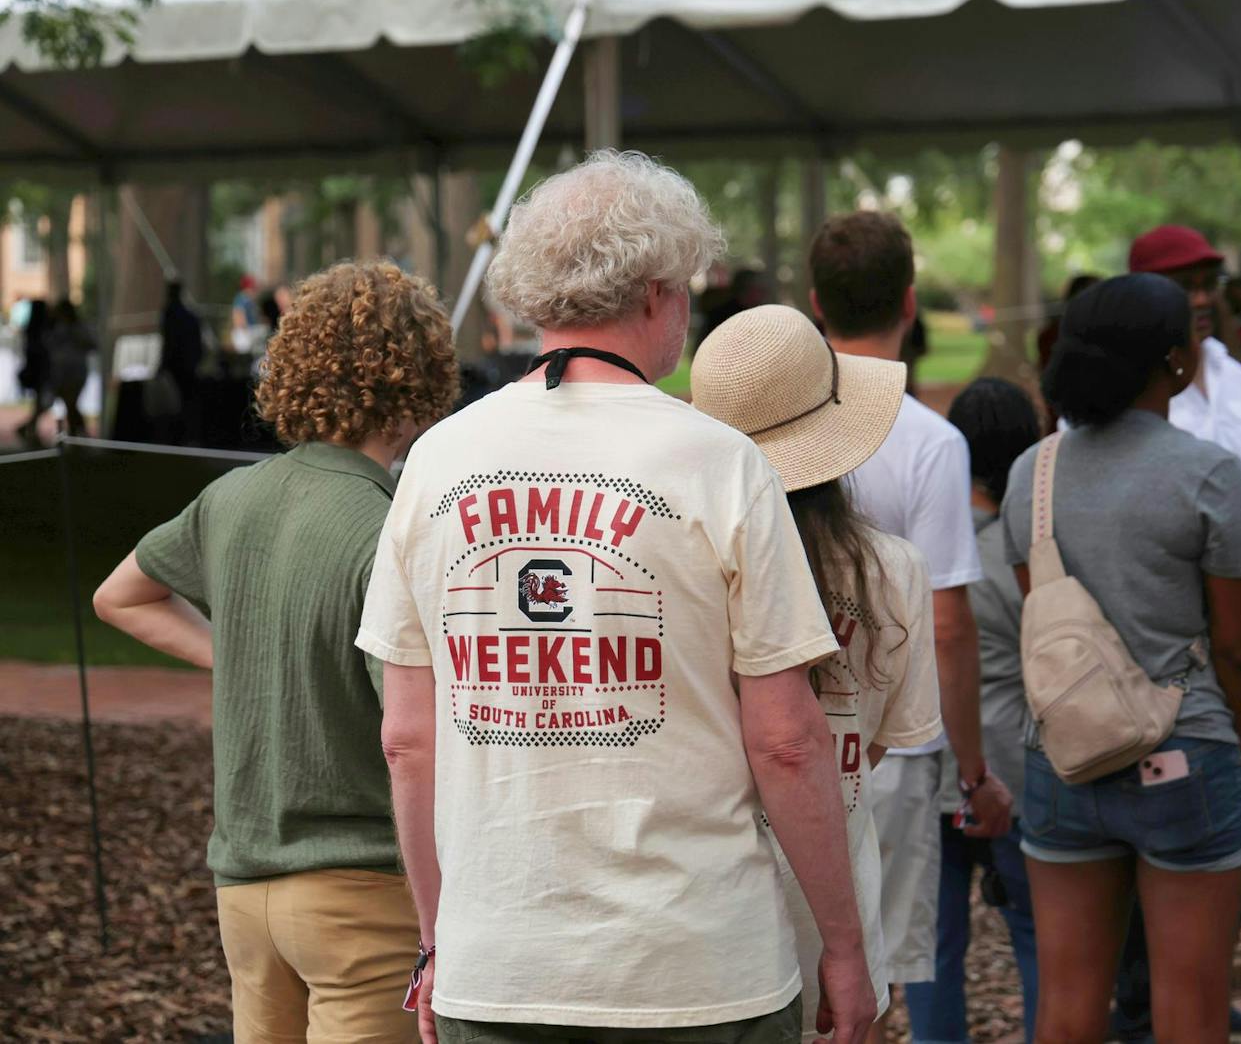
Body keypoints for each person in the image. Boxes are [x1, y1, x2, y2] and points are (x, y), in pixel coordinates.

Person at [360, 151, 877, 1044]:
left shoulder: (436, 460)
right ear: (653, 293)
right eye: (685, 286)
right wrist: (843, 944)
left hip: (500, 967)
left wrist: (438, 940)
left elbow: (408, 738)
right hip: (698, 968)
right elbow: (789, 741)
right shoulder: (721, 462)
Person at [93, 261, 460, 1044]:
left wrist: (239, 652)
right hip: (364, 897)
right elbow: (413, 739)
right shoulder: (391, 527)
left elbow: (118, 594)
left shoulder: (231, 496)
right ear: (421, 379)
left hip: (243, 890)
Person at [1001, 273, 1241, 1044]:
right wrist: (1232, 727)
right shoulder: (1207, 473)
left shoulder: (1031, 472)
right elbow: (1239, 646)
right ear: (1177, 363)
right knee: (1190, 1000)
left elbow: (1044, 620)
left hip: (1064, 756)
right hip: (1185, 750)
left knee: (1069, 1003)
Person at [692, 303, 943, 1043]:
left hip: (710, 910)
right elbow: (875, 745)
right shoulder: (894, 575)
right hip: (838, 911)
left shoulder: (692, 563)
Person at [808, 211, 1012, 1037]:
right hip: (884, 733)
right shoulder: (929, 438)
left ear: (816, 303)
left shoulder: (766, 426)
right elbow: (948, 621)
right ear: (910, 299)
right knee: (889, 969)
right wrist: (972, 769)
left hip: (779, 716)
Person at [1126, 225, 1241, 1041]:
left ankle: (1204, 990)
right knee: (1152, 821)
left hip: (1240, 636)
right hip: (1161, 647)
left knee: (1239, 823)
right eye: (1182, 283)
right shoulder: (1132, 394)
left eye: (1207, 281)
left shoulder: (1238, 380)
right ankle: (1141, 1003)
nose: (1200, 297)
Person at [911, 377, 1043, 1044]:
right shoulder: (1028, 559)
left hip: (931, 766)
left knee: (932, 948)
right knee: (1038, 935)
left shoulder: (920, 552)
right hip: (1017, 770)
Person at [158, 278, 204, 444]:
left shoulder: (172, 314)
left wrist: (163, 363)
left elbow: (169, 341)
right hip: (185, 363)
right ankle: (186, 433)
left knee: (181, 401)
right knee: (183, 401)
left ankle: (184, 434)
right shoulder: (186, 315)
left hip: (179, 363)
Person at [47, 299, 94, 438]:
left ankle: (77, 432)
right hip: (62, 371)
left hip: (76, 371)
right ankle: (78, 432)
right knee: (70, 404)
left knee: (71, 402)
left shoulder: (79, 327)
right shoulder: (56, 327)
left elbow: (92, 344)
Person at [15, 298, 52, 445]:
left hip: (37, 371)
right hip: (41, 371)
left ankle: (30, 427)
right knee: (43, 402)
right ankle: (29, 427)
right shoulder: (42, 331)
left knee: (41, 402)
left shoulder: (31, 330)